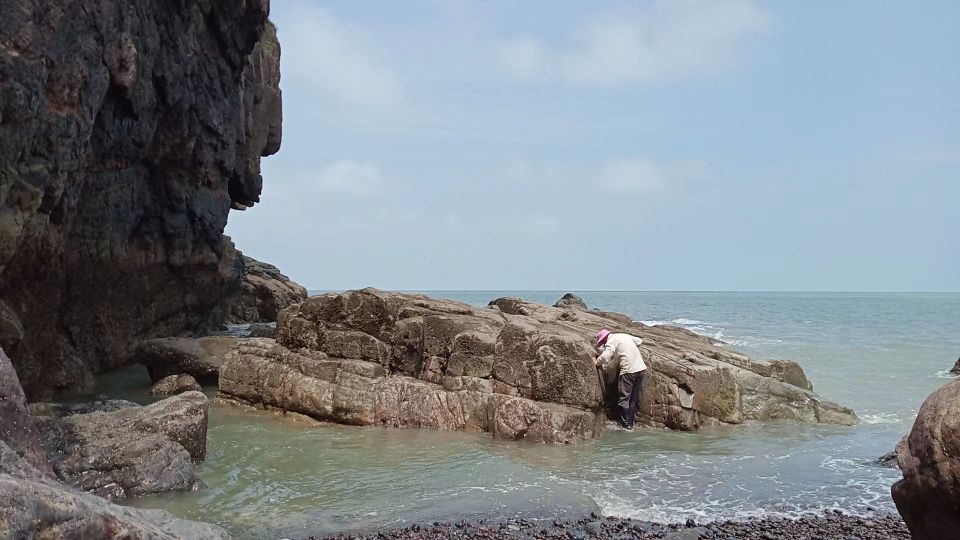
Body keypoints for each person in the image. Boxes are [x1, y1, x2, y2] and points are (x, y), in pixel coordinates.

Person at [593, 328, 647, 429]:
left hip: (628, 371)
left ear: (604, 339)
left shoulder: (611, 341)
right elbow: (639, 341)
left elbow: (606, 356)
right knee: (633, 399)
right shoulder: (623, 336)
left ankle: (626, 425)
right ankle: (631, 423)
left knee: (624, 399)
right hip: (641, 369)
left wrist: (597, 362)